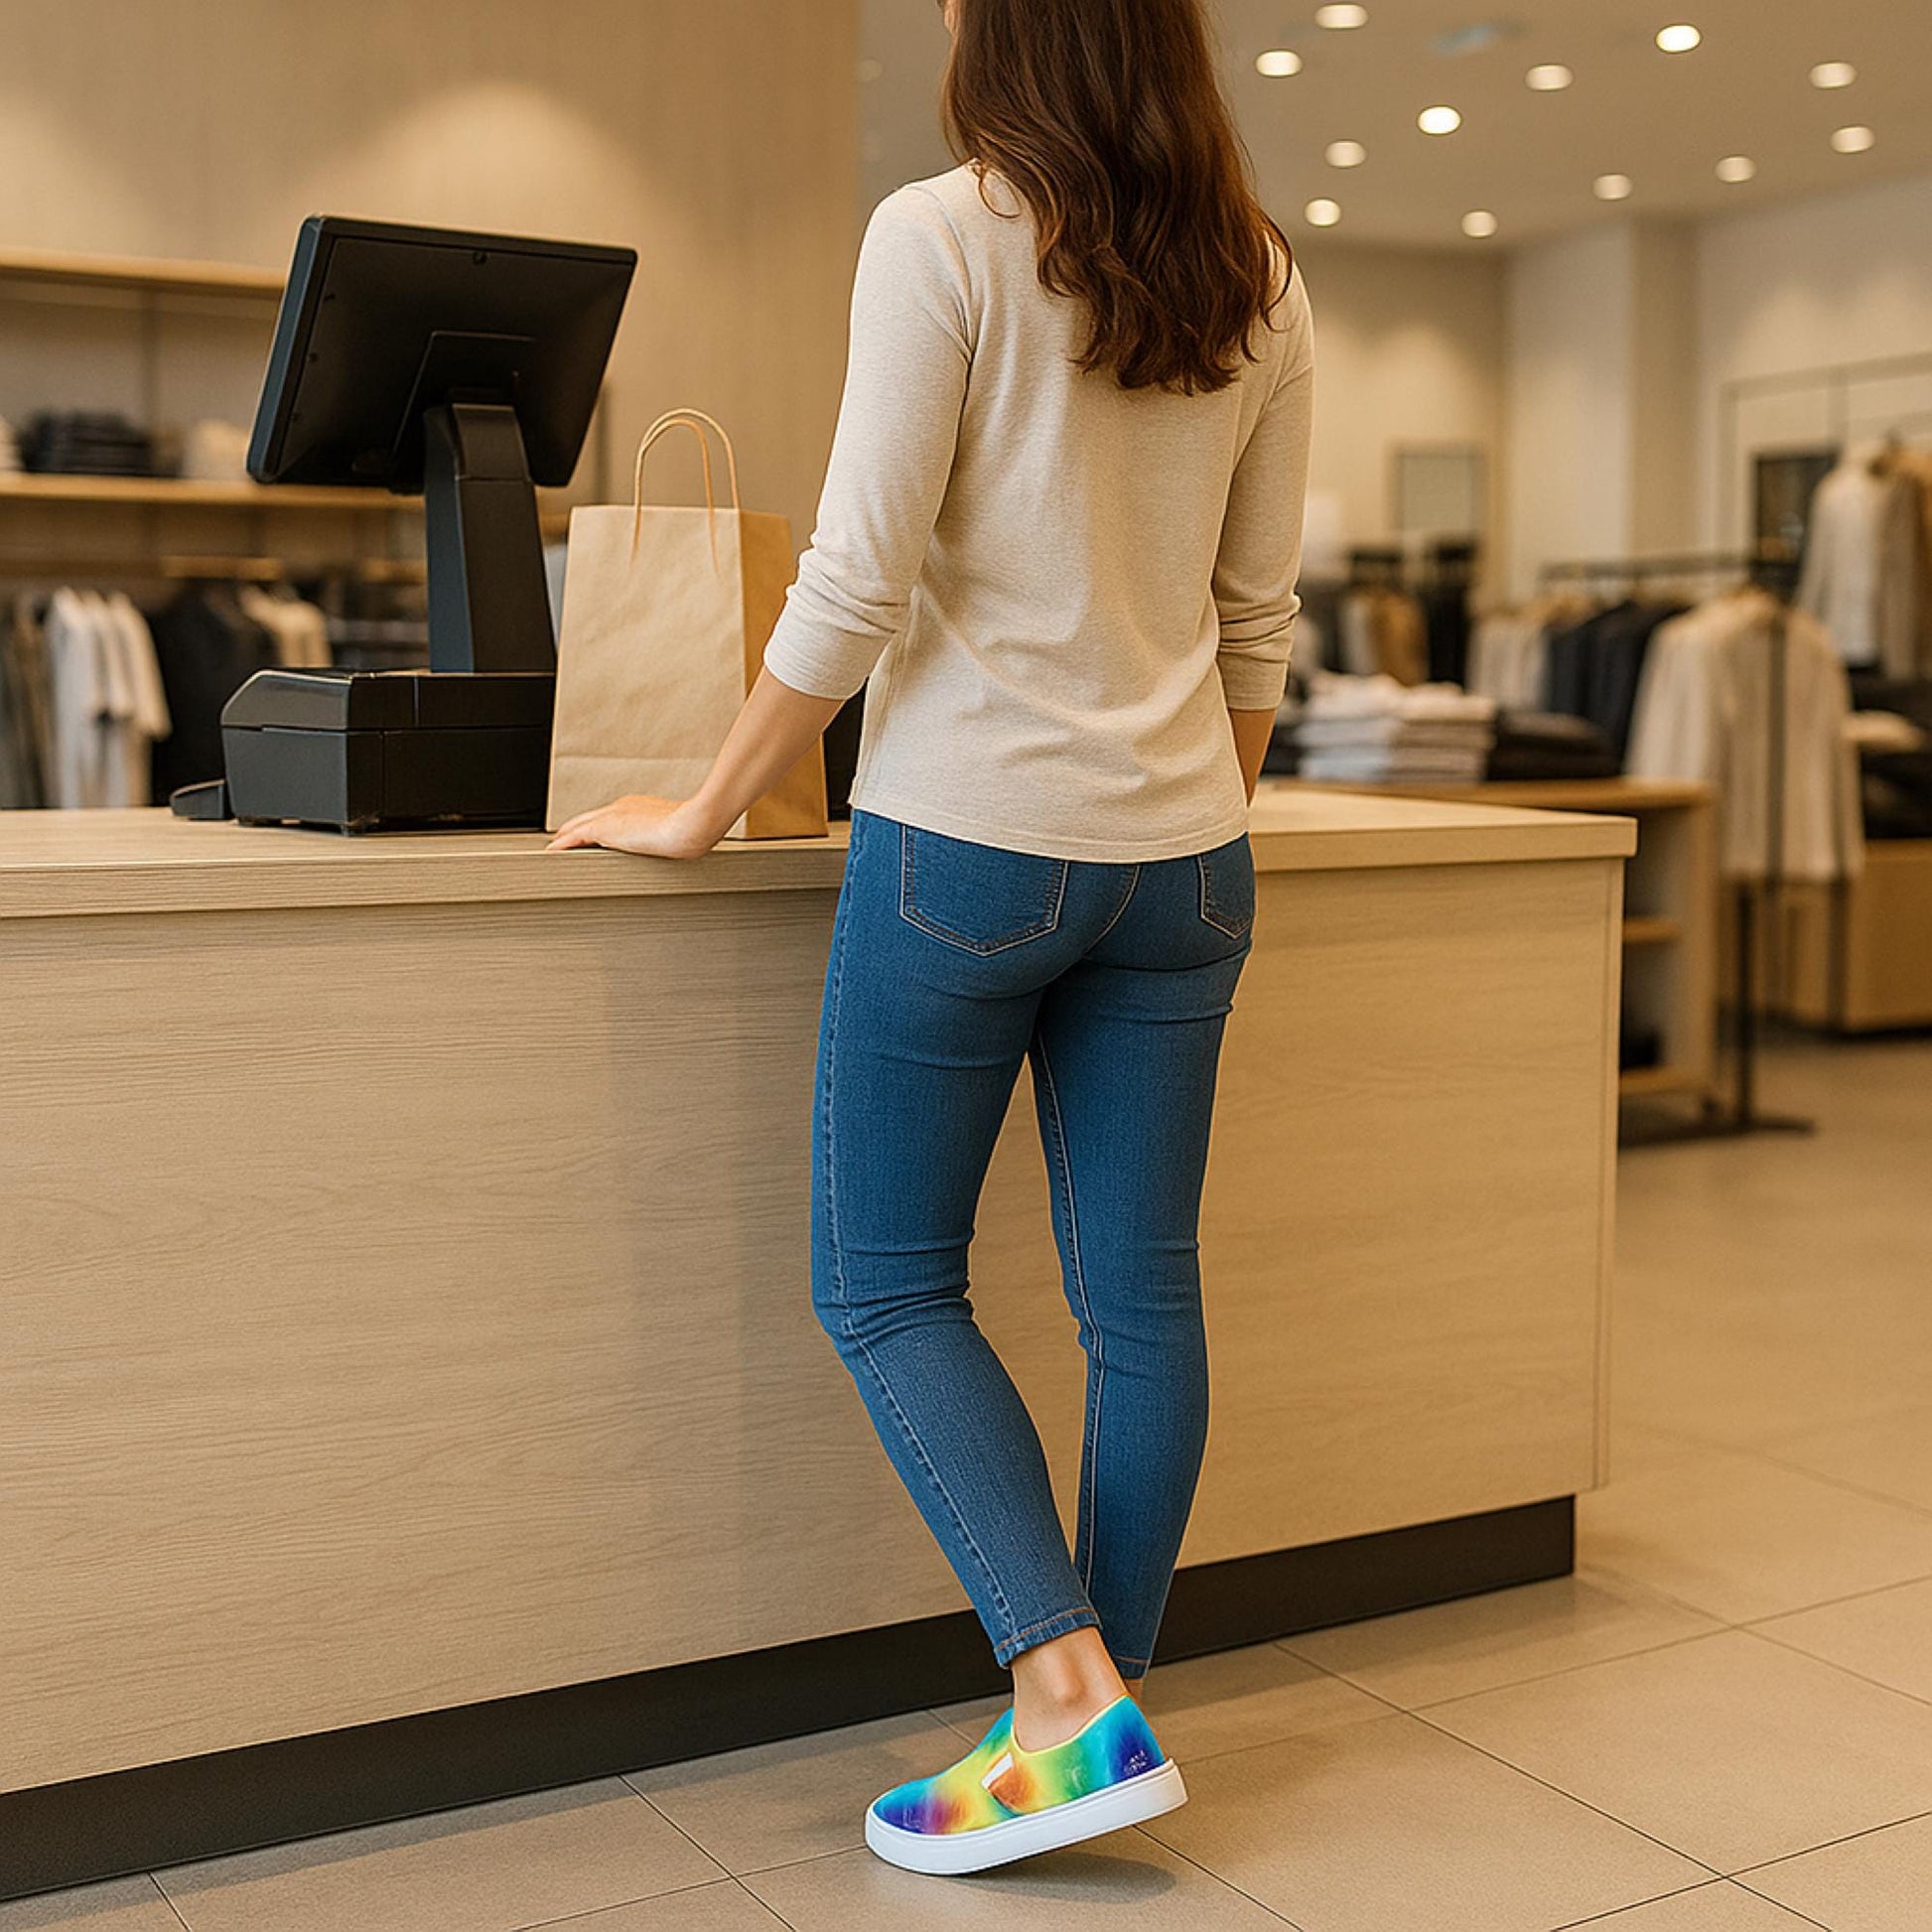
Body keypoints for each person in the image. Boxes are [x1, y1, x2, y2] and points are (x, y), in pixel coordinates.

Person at [549, 0, 1313, 1875]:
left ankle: (1065, 1703)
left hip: (966, 846)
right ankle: (1097, 1708)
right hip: (1188, 864)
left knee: (883, 1282)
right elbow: (1257, 622)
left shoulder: (944, 231)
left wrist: (699, 803)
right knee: (1141, 1298)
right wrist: (1178, 810)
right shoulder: (1261, 278)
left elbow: (854, 576)